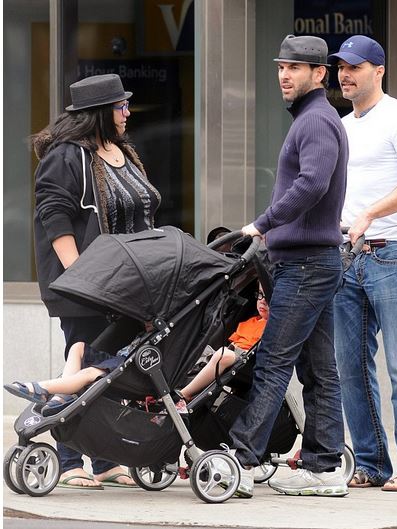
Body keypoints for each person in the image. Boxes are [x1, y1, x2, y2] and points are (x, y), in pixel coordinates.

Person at [228, 34, 349, 499]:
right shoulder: (315, 119)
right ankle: (323, 467)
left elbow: (313, 184)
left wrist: (263, 224)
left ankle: (241, 460)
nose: (284, 75)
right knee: (318, 370)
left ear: (319, 74)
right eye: (281, 66)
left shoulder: (315, 120)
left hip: (305, 265)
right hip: (308, 262)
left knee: (273, 363)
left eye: (295, 68)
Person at [32, 73, 161, 489]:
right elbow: (55, 217)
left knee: (109, 371)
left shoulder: (122, 151)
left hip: (125, 283)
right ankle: (70, 459)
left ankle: (104, 460)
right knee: (85, 363)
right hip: (86, 285)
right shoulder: (67, 156)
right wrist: (82, 278)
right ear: (101, 113)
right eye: (121, 106)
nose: (128, 112)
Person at [328, 35, 397, 492]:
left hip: (393, 255)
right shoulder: (340, 125)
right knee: (351, 369)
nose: (345, 75)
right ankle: (371, 463)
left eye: (355, 67)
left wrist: (371, 214)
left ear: (379, 71)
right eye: (341, 67)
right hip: (346, 257)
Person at [5, 286, 270, 414]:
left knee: (89, 374)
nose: (262, 303)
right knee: (78, 347)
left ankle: (43, 388)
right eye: (259, 297)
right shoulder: (248, 322)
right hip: (129, 357)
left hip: (140, 368)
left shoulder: (271, 327)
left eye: (267, 299)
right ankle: (61, 396)